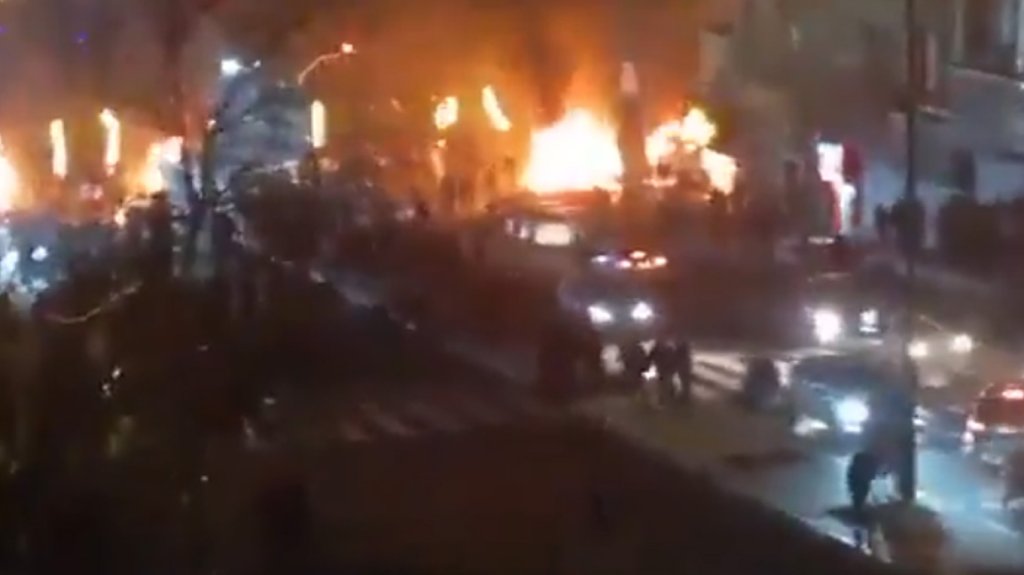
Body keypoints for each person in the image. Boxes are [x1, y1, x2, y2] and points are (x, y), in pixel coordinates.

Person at [846, 450, 881, 519]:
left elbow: (851, 474)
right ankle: (859, 512)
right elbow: (871, 473)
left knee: (859, 496)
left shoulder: (862, 461)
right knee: (859, 496)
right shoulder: (865, 460)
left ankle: (858, 511)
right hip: (859, 481)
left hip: (859, 481)